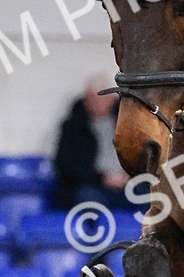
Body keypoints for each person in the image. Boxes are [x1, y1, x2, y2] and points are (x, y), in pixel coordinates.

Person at [53, 78, 133, 211]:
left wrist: (129, 175)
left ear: (113, 100)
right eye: (93, 99)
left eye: (103, 99)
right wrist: (102, 179)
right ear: (85, 100)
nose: (98, 104)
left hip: (128, 182)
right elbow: (65, 165)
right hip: (92, 186)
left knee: (154, 197)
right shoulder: (72, 127)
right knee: (88, 199)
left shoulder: (129, 125)